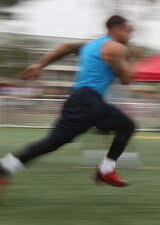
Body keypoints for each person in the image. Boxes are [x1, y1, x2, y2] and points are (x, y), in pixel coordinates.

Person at [0, 15, 139, 198]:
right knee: (52, 142)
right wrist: (130, 55)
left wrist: (40, 64)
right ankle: (3, 168)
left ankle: (106, 170)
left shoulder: (90, 45)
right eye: (128, 32)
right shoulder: (117, 47)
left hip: (85, 99)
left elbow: (64, 47)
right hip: (87, 101)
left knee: (126, 126)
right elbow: (127, 78)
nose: (130, 36)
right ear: (117, 29)